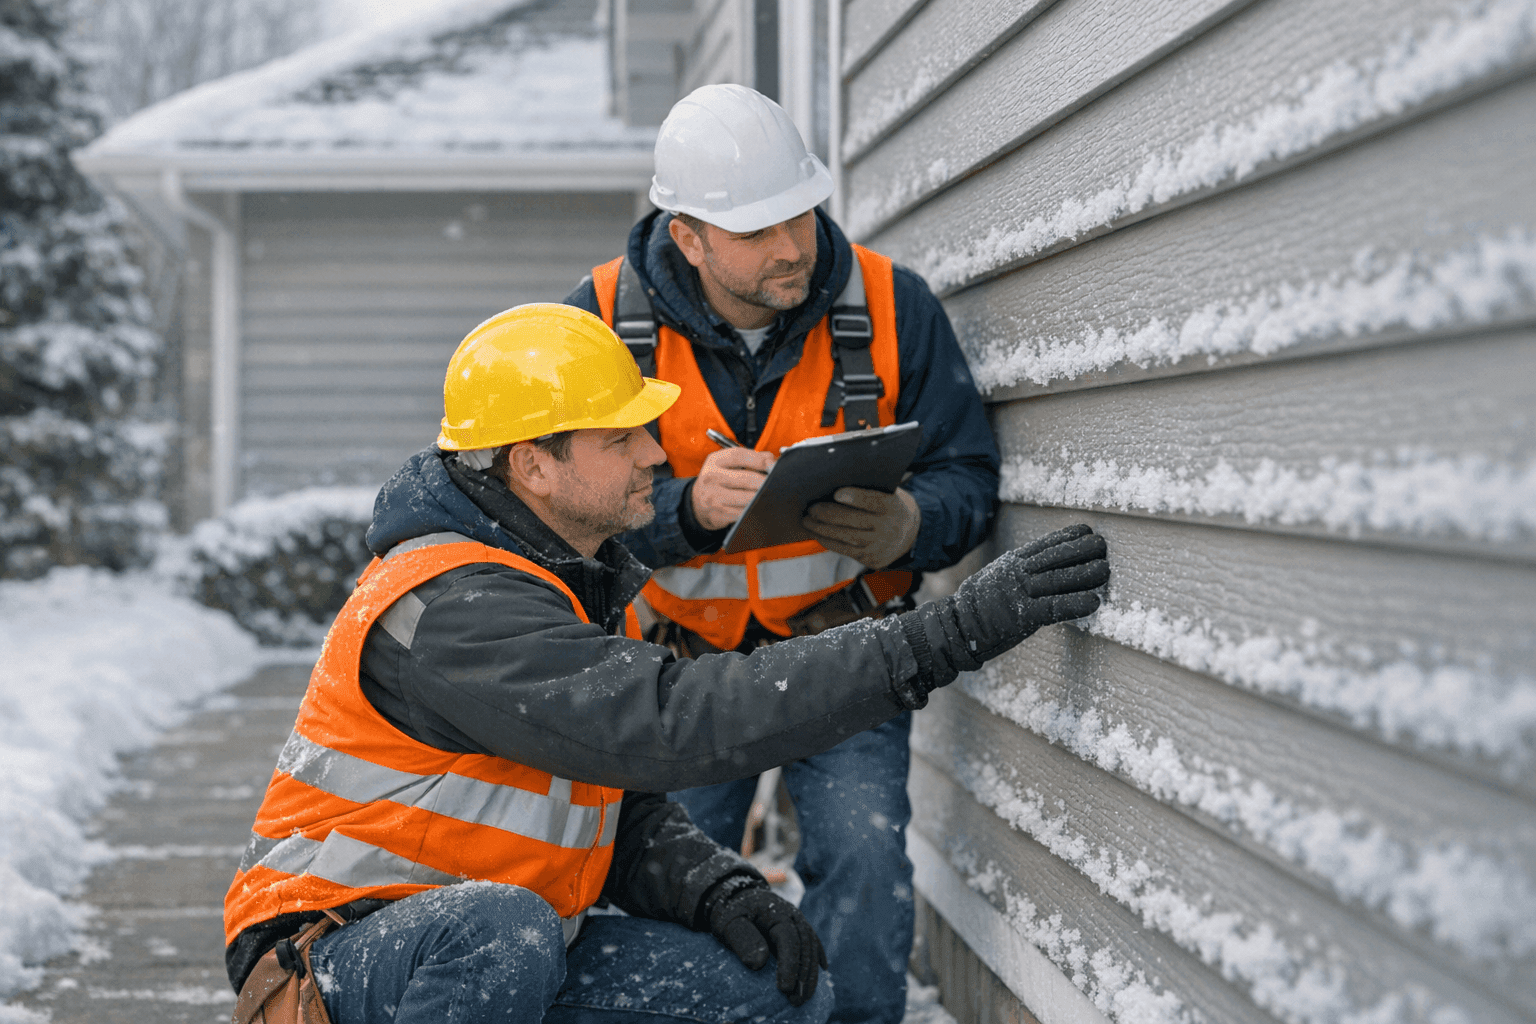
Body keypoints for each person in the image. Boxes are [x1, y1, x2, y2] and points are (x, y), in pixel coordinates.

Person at [222, 303, 1109, 1024]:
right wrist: (942, 637)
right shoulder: (457, 607)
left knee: (777, 993)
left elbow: (604, 800)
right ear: (533, 463)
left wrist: (715, 886)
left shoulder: (553, 575)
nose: (657, 453)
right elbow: (672, 724)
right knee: (504, 934)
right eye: (622, 439)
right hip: (341, 958)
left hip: (500, 945)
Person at [563, 84, 999, 1023]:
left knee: (865, 863)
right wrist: (680, 512)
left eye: (800, 213)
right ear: (688, 237)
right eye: (757, 230)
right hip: (676, 678)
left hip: (847, 655)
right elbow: (554, 526)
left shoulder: (892, 307)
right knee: (670, 893)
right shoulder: (598, 327)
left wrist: (912, 526)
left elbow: (970, 473)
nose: (793, 246)